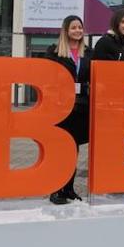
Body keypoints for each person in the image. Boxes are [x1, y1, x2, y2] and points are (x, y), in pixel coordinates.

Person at [91, 8, 124, 179]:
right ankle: (105, 177)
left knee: (123, 141)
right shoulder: (104, 43)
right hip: (110, 104)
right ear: (116, 23)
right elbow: (97, 75)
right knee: (110, 142)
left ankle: (115, 177)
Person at [45, 15, 90, 204]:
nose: (78, 31)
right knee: (61, 150)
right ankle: (56, 189)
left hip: (81, 110)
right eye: (74, 28)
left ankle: (69, 189)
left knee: (74, 150)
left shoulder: (88, 53)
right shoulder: (54, 52)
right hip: (62, 109)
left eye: (80, 27)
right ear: (66, 30)